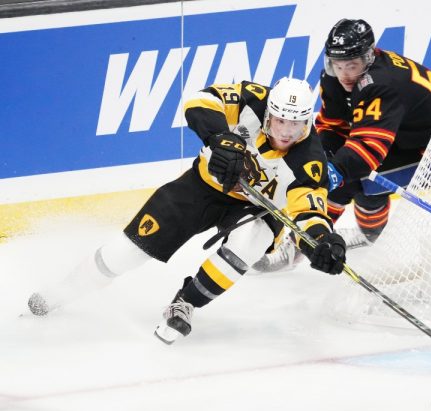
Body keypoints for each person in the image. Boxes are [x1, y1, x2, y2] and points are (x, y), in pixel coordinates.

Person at [27, 77, 347, 344]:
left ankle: (186, 303)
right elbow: (199, 100)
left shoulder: (309, 159)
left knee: (248, 243)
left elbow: (309, 212)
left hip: (257, 210)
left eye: (296, 123)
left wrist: (321, 242)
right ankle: (65, 290)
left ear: (307, 121)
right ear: (269, 114)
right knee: (127, 252)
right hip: (202, 187)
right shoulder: (253, 99)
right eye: (281, 120)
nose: (287, 131)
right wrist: (222, 139)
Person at [253, 18, 431, 272]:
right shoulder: (334, 76)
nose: (344, 74)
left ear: (369, 57)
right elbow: (332, 127)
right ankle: (368, 234)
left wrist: (330, 174)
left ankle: (301, 244)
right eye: (338, 65)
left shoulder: (381, 84)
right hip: (403, 133)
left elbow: (367, 150)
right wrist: (318, 161)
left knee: (352, 179)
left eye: (352, 66)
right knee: (338, 167)